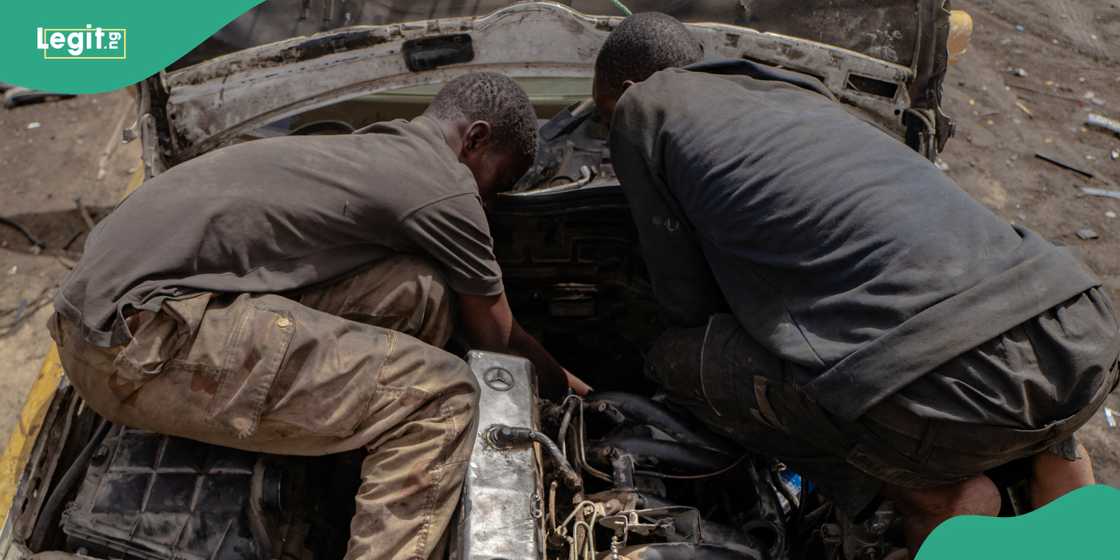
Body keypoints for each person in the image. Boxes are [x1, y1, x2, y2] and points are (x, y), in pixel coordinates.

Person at [591, 12, 1120, 555]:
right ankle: (1072, 513)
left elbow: (687, 302)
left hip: (945, 397)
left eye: (602, 120)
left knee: (681, 355)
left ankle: (943, 500)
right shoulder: (795, 90)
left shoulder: (644, 106)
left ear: (628, 88)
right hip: (1073, 333)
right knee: (1012, 380)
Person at [49, 72, 587, 560]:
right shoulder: (445, 188)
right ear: (475, 139)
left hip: (111, 313)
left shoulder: (378, 148)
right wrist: (577, 391)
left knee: (419, 291)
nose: (491, 202)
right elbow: (496, 339)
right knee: (442, 398)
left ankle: (341, 487)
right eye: (499, 182)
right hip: (133, 346)